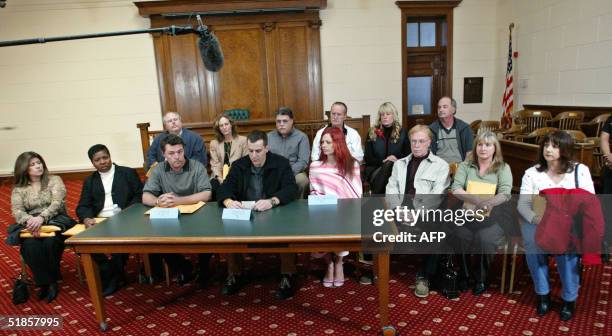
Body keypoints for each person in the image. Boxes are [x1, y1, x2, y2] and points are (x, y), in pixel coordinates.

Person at [518, 130, 595, 321]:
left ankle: (569, 299)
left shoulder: (580, 170)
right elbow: (523, 204)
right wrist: (537, 219)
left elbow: (590, 202)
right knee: (532, 243)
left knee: (566, 248)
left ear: (565, 149)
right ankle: (543, 294)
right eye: (546, 145)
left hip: (568, 224)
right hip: (539, 220)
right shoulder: (532, 173)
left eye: (554, 146)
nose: (548, 149)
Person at [218, 130, 298, 299]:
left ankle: (287, 275)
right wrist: (228, 201)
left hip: (273, 210)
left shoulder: (281, 163)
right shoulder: (239, 165)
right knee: (231, 233)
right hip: (246, 212)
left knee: (287, 232)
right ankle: (235, 275)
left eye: (258, 151)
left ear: (267, 148)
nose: (254, 155)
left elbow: (291, 188)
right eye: (250, 151)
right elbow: (224, 188)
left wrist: (273, 200)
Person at [386, 125, 450, 298]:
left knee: (440, 227)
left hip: (424, 211)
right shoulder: (399, 164)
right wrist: (397, 210)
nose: (417, 145)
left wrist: (416, 214)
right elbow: (391, 189)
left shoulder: (441, 165)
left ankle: (424, 275)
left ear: (429, 142)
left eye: (421, 141)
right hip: (400, 208)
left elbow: (437, 196)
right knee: (372, 214)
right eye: (414, 141)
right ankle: (375, 267)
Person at [142, 134, 213, 288]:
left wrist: (178, 200)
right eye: (172, 153)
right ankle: (182, 267)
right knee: (156, 238)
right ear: (164, 155)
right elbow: (145, 196)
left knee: (209, 233)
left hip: (197, 215)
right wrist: (157, 201)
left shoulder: (196, 166)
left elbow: (207, 194)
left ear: (184, 150)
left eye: (180, 152)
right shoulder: (158, 169)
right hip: (170, 217)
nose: (177, 157)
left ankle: (203, 267)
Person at [76, 144, 143, 296]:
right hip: (99, 220)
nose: (103, 161)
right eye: (97, 160)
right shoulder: (89, 181)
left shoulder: (127, 173)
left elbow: (139, 195)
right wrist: (87, 218)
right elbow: (83, 205)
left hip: (125, 218)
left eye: (105, 157)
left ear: (110, 156)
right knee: (81, 243)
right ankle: (108, 269)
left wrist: (127, 212)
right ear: (93, 163)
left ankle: (114, 278)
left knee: (119, 241)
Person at [450, 131, 512, 295]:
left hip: (493, 215)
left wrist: (489, 203)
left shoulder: (503, 168)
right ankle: (464, 274)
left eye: (488, 145)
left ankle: (480, 278)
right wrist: (476, 200)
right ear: (475, 146)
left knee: (485, 240)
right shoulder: (465, 165)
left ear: (495, 148)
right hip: (466, 212)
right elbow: (455, 188)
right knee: (459, 235)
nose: (483, 148)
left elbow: (506, 193)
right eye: (480, 144)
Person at [11, 152, 73, 303]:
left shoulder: (54, 180)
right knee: (30, 246)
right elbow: (17, 211)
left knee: (50, 243)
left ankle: (50, 283)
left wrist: (42, 218)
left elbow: (57, 203)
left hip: (55, 219)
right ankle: (45, 282)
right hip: (31, 223)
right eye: (32, 164)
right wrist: (31, 221)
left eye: (38, 162)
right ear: (24, 169)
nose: (37, 166)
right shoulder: (19, 189)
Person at [364, 102, 410, 194]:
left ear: (394, 115)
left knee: (391, 166)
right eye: (382, 114)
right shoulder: (372, 132)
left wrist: (396, 159)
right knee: (388, 164)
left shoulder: (403, 132)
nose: (385, 117)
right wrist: (383, 161)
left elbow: (408, 154)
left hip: (397, 168)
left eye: (388, 114)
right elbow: (368, 158)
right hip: (375, 169)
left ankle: (374, 197)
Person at [268, 107, 311, 198]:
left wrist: (286, 173)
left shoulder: (302, 137)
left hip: (294, 172)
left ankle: (298, 206)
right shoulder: (269, 137)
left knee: (302, 180)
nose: (281, 124)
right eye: (278, 121)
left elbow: (303, 162)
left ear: (291, 121)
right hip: (274, 172)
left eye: (285, 121)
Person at [209, 113, 248, 195]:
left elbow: (245, 162)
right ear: (218, 128)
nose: (224, 127)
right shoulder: (214, 143)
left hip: (237, 175)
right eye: (221, 125)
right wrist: (220, 178)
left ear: (231, 125)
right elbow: (215, 164)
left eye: (226, 124)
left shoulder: (243, 140)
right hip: (219, 175)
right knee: (215, 186)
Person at [429, 96, 473, 164]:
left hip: (460, 166)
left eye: (445, 107)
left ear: (453, 110)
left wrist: (464, 169)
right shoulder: (431, 129)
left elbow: (469, 153)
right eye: (439, 107)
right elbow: (429, 153)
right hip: (438, 167)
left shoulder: (464, 128)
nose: (441, 110)